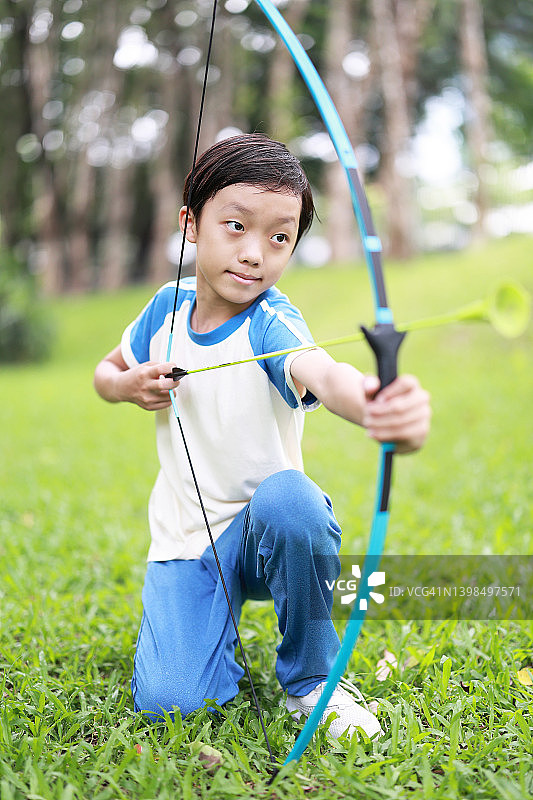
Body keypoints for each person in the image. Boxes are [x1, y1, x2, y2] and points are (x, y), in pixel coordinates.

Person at [94, 133, 430, 740]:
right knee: (172, 704)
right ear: (190, 224)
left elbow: (326, 373)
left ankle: (312, 682)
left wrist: (378, 406)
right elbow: (105, 373)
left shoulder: (273, 322)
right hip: (187, 542)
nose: (255, 254)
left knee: (291, 500)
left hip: (265, 532)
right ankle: (205, 639)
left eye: (279, 237)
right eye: (236, 226)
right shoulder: (164, 308)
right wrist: (127, 385)